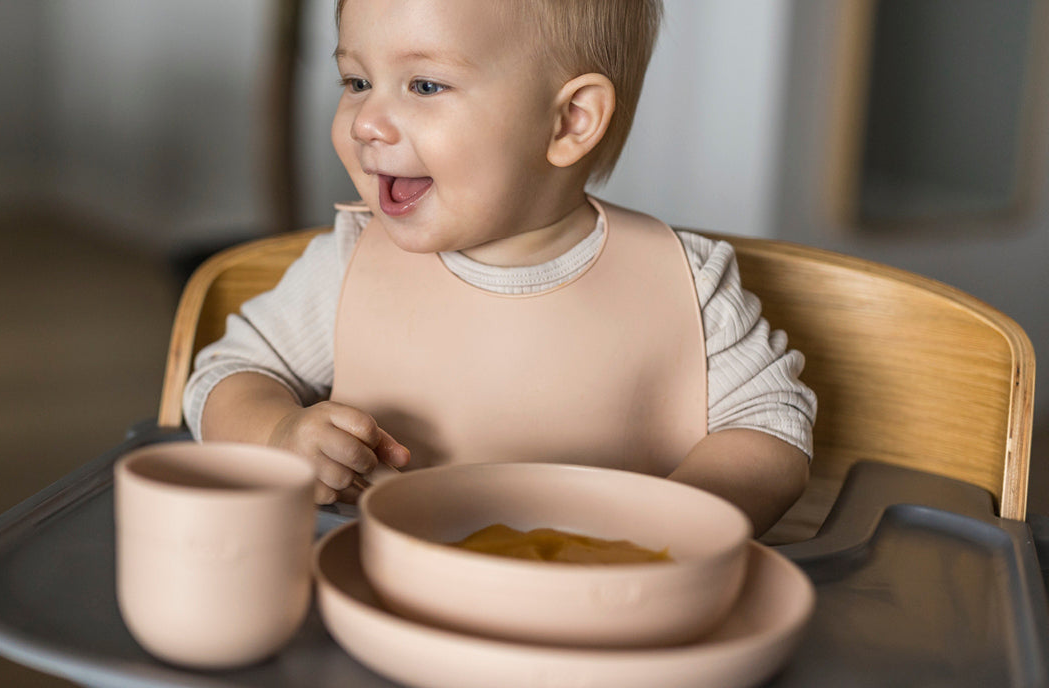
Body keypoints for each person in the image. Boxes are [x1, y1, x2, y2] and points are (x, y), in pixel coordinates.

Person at [184, 0, 815, 535]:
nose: (367, 123)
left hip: (601, 617)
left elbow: (772, 427)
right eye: (355, 82)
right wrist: (278, 435)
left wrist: (664, 526)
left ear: (570, 120)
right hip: (376, 594)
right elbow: (226, 374)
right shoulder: (348, 263)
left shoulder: (687, 283)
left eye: (425, 85)